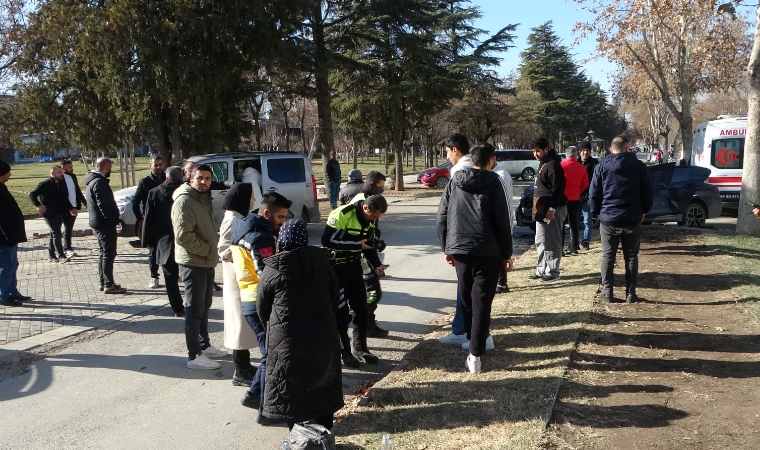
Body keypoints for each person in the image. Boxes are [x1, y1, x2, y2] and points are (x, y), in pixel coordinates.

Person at [256, 219, 343, 431]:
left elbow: (262, 310)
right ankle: (325, 438)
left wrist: (273, 330)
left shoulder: (272, 271)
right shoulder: (324, 265)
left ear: (281, 240)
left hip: (286, 344)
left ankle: (299, 440)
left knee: (291, 396)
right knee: (322, 390)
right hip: (323, 339)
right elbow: (335, 302)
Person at [436, 143, 514, 374]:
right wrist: (506, 254)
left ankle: (473, 344)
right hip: (488, 251)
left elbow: (442, 216)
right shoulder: (494, 182)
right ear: (490, 160)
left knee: (467, 300)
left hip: (460, 249)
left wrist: (447, 248)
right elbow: (502, 221)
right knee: (481, 302)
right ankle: (475, 353)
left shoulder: (454, 182)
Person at [232, 192, 291, 422]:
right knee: (271, 354)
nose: (282, 222)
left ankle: (254, 395)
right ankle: (265, 409)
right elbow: (267, 274)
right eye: (280, 216)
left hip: (248, 298)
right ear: (266, 213)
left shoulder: (242, 228)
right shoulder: (261, 237)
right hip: (261, 301)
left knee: (269, 352)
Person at [171, 163, 227, 369]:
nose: (204, 182)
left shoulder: (203, 198)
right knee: (194, 310)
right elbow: (183, 235)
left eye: (208, 179)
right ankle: (194, 355)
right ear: (190, 178)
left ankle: (205, 345)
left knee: (204, 306)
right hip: (192, 262)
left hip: (205, 261)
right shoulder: (185, 201)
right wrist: (208, 250)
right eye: (200, 178)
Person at [322, 194, 387, 368]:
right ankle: (345, 352)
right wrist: (357, 245)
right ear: (366, 208)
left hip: (354, 268)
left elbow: (369, 244)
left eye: (377, 218)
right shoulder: (343, 214)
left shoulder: (370, 219)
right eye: (374, 217)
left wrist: (377, 265)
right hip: (336, 270)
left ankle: (361, 348)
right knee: (341, 315)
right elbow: (327, 240)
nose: (374, 220)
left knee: (361, 310)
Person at [590, 135, 653, 304]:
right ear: (628, 148)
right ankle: (630, 293)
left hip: (608, 217)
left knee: (608, 255)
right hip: (632, 217)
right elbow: (648, 191)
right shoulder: (639, 167)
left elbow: (594, 193)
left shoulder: (601, 167)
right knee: (631, 256)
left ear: (611, 150)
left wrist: (596, 211)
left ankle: (608, 292)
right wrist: (645, 210)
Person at [217, 182, 258, 387]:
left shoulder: (241, 216)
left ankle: (246, 365)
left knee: (244, 324)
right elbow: (223, 249)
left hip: (243, 277)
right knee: (238, 324)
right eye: (251, 196)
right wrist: (243, 253)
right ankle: (240, 371)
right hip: (235, 277)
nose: (254, 200)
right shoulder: (232, 218)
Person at [437, 133, 475, 347]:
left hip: (461, 240)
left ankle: (462, 329)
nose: (448, 157)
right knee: (472, 289)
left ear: (455, 150)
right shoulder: (481, 170)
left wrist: (447, 246)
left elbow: (446, 213)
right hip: (480, 241)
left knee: (464, 287)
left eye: (447, 152)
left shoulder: (458, 173)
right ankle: (466, 329)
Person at [141, 166, 186, 317]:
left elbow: (148, 218)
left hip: (164, 241)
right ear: (182, 177)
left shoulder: (154, 193)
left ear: (167, 177)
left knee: (170, 277)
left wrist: (146, 240)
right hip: (186, 239)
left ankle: (177, 308)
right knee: (191, 274)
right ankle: (194, 305)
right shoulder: (187, 191)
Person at [85, 158, 127, 294]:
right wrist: (113, 219)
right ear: (107, 167)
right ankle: (108, 284)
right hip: (103, 224)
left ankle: (104, 282)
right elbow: (103, 205)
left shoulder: (92, 180)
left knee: (103, 253)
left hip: (98, 222)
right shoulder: (99, 182)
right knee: (108, 254)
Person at [529, 138, 567, 282]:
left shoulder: (553, 165)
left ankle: (553, 271)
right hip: (540, 209)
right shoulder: (542, 164)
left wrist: (552, 208)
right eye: (533, 151)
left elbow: (558, 188)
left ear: (546, 149)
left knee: (552, 241)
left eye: (538, 151)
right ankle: (541, 269)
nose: (535, 154)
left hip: (553, 209)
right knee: (540, 240)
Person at [29, 165, 78, 263]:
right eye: (59, 172)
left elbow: (65, 198)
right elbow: (32, 194)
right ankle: (61, 256)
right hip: (49, 213)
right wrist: (38, 205)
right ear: (52, 173)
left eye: (62, 172)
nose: (61, 174)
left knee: (53, 233)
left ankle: (51, 255)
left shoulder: (61, 183)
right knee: (57, 233)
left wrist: (71, 208)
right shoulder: (45, 184)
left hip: (60, 212)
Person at [0, 160, 31, 307]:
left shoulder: (2, 188)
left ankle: (13, 292)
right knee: (5, 267)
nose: (10, 174)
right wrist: (7, 235)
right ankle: (3, 296)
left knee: (13, 265)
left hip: (11, 235)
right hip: (4, 238)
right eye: (7, 172)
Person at [133, 156, 166, 289]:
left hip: (167, 220)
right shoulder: (145, 182)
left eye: (160, 164)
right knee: (152, 249)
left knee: (170, 248)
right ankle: (154, 276)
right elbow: (135, 201)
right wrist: (140, 218)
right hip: (151, 221)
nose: (158, 167)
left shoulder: (167, 179)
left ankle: (173, 273)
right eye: (155, 165)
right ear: (150, 166)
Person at [492, 154, 514, 294]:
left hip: (503, 217)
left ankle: (502, 283)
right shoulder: (495, 173)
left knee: (500, 252)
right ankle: (501, 282)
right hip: (500, 218)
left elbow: (504, 201)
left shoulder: (501, 175)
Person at [561, 148, 589, 256]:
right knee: (573, 223)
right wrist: (578, 191)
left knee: (561, 224)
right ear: (576, 154)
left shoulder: (561, 166)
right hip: (575, 198)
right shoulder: (581, 167)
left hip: (563, 198)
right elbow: (585, 184)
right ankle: (574, 246)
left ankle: (561, 248)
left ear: (566, 154)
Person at [61, 159, 86, 258]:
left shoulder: (73, 177)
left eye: (72, 167)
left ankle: (67, 248)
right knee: (59, 230)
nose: (72, 169)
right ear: (63, 168)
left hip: (74, 205)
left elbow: (77, 190)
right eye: (69, 167)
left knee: (69, 228)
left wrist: (84, 201)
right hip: (64, 207)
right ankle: (62, 249)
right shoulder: (60, 178)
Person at [576, 142, 598, 250]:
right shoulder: (575, 162)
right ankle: (574, 242)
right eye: (583, 150)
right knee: (574, 221)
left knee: (587, 221)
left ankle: (585, 241)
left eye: (587, 150)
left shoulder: (595, 163)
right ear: (580, 151)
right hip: (575, 197)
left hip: (588, 196)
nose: (585, 152)